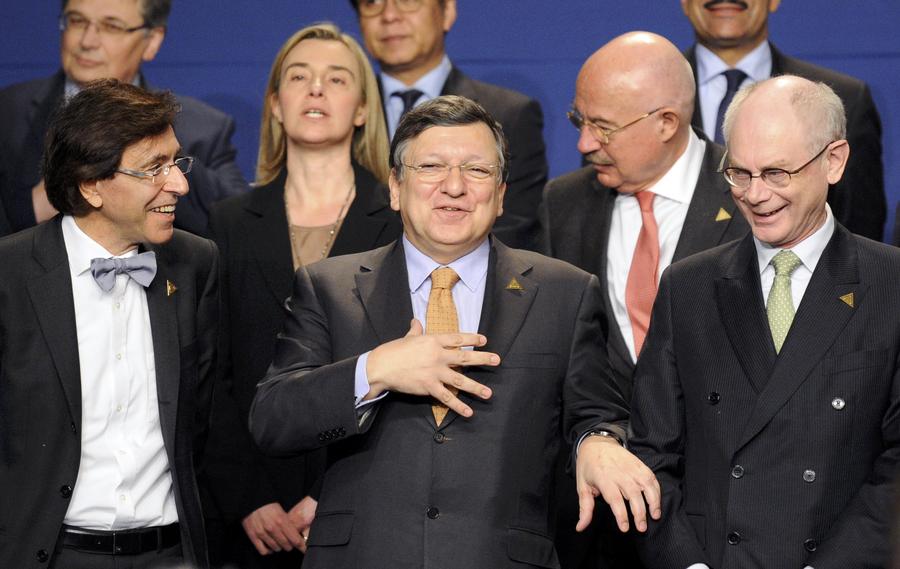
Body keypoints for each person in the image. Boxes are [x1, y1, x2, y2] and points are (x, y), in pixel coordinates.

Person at [249, 95, 660, 568]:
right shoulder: (329, 287)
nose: (454, 187)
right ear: (395, 188)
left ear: (501, 194)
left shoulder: (565, 292)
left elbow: (596, 413)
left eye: (477, 171)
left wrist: (598, 443)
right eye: (431, 167)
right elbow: (273, 420)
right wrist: (374, 370)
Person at [629, 75, 900, 568]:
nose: (755, 195)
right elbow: (652, 452)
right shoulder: (686, 287)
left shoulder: (891, 284)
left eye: (777, 173)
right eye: (739, 173)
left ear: (833, 161)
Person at [541, 31, 748, 569]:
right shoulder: (563, 204)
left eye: (602, 127)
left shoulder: (753, 196)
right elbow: (563, 357)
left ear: (666, 123)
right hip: (596, 520)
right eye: (578, 121)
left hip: (720, 512)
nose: (585, 143)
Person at [201, 23, 402, 569]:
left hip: (363, 501)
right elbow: (207, 373)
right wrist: (249, 497)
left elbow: (402, 366)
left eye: (336, 79)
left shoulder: (400, 221)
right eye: (299, 77)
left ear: (362, 108)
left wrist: (331, 493)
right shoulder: (227, 223)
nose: (315, 89)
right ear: (274, 102)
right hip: (251, 517)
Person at [0, 79, 218, 568]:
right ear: (91, 185)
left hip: (171, 555)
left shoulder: (195, 263)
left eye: (176, 162)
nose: (179, 184)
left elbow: (204, 419)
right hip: (49, 554)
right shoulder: (9, 275)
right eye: (154, 169)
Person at [0, 0, 247, 237]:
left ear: (152, 41)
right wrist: (32, 207)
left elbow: (240, 231)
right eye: (77, 21)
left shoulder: (201, 129)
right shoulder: (7, 112)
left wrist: (160, 152)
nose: (87, 41)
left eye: (111, 26)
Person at [348, 0, 548, 250]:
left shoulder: (510, 114)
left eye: (408, 2)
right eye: (372, 3)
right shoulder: (342, 113)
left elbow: (515, 229)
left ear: (448, 12)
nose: (389, 15)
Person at [681, 0, 885, 240]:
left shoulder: (848, 98)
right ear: (685, 2)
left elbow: (861, 230)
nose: (755, 195)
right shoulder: (645, 99)